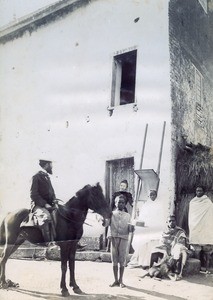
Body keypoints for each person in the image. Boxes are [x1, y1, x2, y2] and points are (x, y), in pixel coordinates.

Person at [127, 189, 165, 268]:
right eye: (150, 195)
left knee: (153, 244)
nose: (152, 196)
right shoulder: (146, 205)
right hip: (147, 227)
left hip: (155, 227)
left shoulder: (160, 205)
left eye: (153, 195)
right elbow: (142, 217)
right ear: (148, 196)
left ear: (156, 195)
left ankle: (151, 263)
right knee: (144, 243)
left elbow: (161, 218)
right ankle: (143, 262)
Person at [108, 195, 134, 288]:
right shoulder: (111, 214)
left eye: (123, 202)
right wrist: (110, 237)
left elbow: (130, 228)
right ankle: (115, 280)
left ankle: (121, 280)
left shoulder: (128, 216)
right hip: (114, 238)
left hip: (124, 238)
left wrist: (133, 228)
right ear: (115, 203)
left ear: (125, 204)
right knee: (114, 259)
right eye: (119, 202)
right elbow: (109, 226)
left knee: (122, 259)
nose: (121, 204)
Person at [30, 159, 57, 244]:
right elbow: (33, 194)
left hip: (49, 205)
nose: (52, 166)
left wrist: (54, 200)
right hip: (38, 205)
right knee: (46, 217)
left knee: (63, 215)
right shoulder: (36, 176)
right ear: (46, 165)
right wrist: (45, 204)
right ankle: (48, 244)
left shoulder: (46, 176)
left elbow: (51, 192)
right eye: (51, 164)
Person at [188, 186, 213, 271]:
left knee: (207, 249)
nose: (198, 192)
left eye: (200, 190)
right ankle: (197, 268)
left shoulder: (208, 202)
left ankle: (208, 267)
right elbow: (191, 217)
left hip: (205, 228)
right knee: (196, 249)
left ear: (203, 192)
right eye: (197, 190)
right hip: (195, 227)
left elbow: (210, 215)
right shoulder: (192, 202)